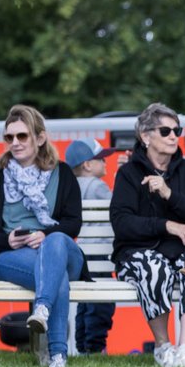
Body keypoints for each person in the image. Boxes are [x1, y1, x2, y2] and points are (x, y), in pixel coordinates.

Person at [0, 104, 85, 367]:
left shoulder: (63, 174)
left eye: (22, 136)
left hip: (61, 251)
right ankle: (58, 355)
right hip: (13, 255)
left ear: (39, 138)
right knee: (55, 275)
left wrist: (44, 234)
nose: (15, 143)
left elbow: (73, 223)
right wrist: (8, 239)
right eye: (9, 137)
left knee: (57, 241)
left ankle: (42, 309)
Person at [110, 102, 185, 367]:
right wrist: (166, 225)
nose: (173, 137)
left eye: (176, 131)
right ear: (145, 136)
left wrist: (170, 194)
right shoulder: (129, 174)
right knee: (154, 268)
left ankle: (184, 348)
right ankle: (163, 346)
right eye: (165, 131)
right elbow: (122, 224)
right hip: (139, 252)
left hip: (182, 252)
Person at [66, 138, 120, 354]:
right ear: (87, 165)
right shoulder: (97, 187)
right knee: (102, 302)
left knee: (85, 301)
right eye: (101, 158)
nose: (106, 162)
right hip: (100, 257)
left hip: (83, 256)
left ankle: (83, 345)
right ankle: (96, 346)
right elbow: (118, 210)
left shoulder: (71, 187)